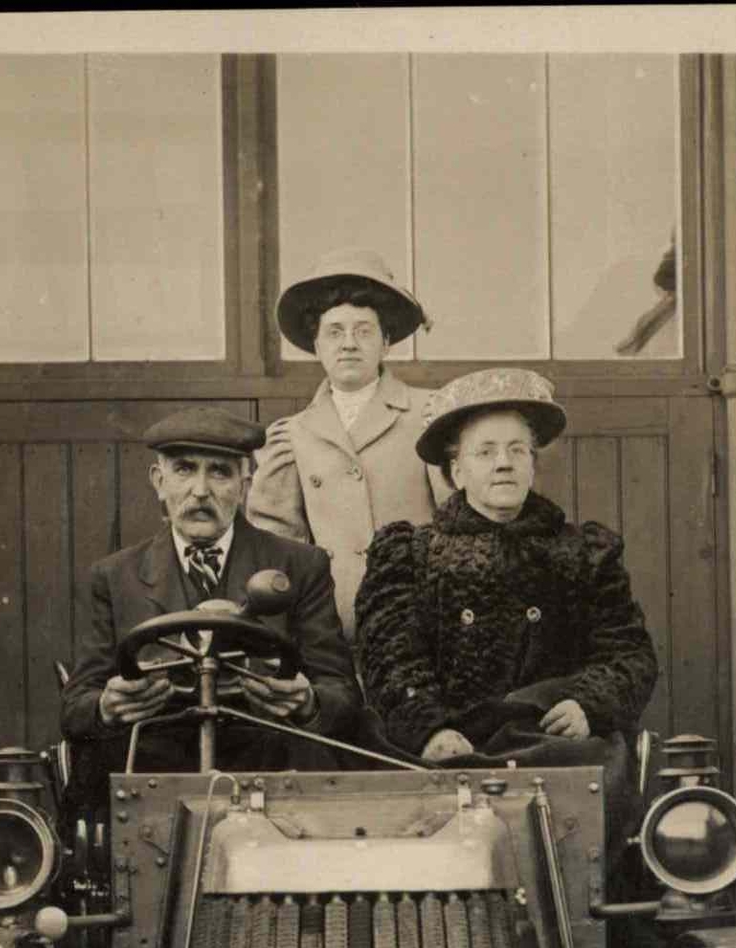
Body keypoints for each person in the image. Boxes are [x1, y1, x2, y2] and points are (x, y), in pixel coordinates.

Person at [354, 368, 658, 766]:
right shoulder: (410, 555)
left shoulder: (585, 552)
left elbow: (629, 653)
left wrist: (589, 705)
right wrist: (428, 729)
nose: (504, 463)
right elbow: (390, 658)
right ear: (457, 471)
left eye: (517, 450)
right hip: (451, 747)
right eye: (486, 451)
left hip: (554, 742)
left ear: (532, 465)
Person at [61, 405, 361, 777]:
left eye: (220, 472)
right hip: (151, 769)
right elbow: (76, 706)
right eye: (184, 469)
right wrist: (107, 706)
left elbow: (342, 695)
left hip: (269, 768)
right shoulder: (114, 576)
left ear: (245, 486)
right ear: (159, 480)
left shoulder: (300, 565)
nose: (200, 491)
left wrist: (307, 701)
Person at [246, 247, 447, 638]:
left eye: (364, 330)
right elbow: (277, 544)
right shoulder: (293, 434)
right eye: (334, 332)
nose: (349, 343)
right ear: (317, 347)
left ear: (386, 342)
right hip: (332, 627)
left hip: (418, 621)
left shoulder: (427, 413)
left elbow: (457, 522)